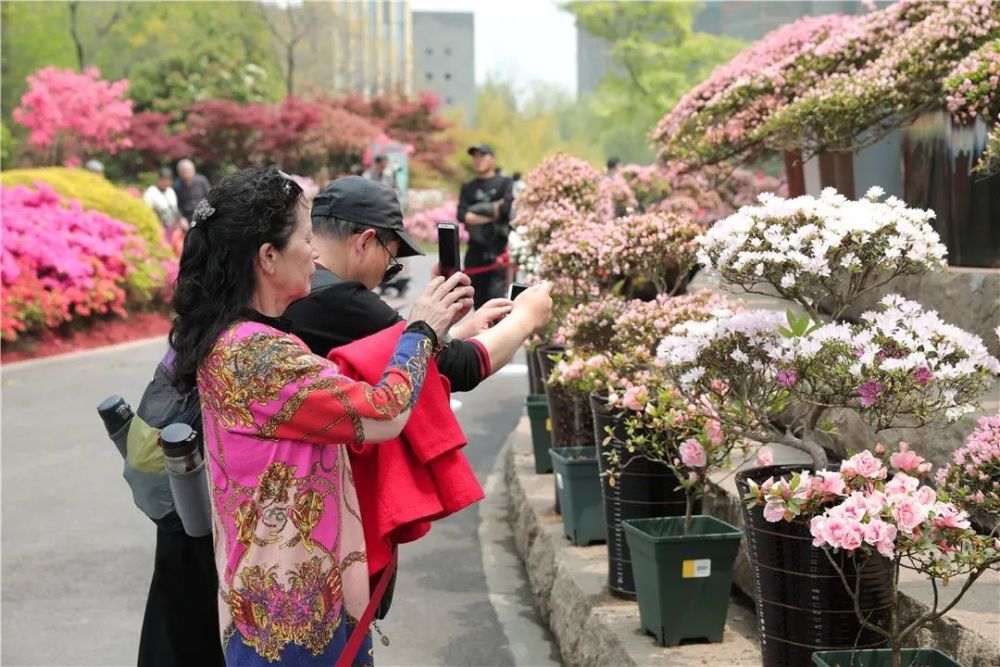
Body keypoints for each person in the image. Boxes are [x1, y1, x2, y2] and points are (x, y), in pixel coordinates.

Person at [169, 166, 475, 665]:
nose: (315, 253)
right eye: (306, 239)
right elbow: (385, 412)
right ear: (268, 257)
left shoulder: (228, 340)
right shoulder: (260, 354)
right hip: (297, 615)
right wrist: (423, 328)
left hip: (264, 600)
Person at [287, 176, 553, 387]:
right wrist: (525, 318)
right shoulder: (340, 298)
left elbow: (400, 351)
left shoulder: (294, 281)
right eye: (391, 258)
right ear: (365, 241)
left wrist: (458, 330)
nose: (384, 273)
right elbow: (456, 368)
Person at [457, 144, 514, 310]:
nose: (478, 160)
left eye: (483, 155)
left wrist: (474, 212)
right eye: (475, 156)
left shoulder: (504, 183)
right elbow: (461, 215)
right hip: (475, 252)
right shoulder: (468, 187)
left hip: (497, 253)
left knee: (496, 304)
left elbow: (505, 210)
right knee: (479, 304)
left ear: (492, 159)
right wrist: (492, 210)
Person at [174, 158, 211, 227]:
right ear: (179, 172)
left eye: (188, 170)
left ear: (194, 170)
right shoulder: (176, 185)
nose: (186, 173)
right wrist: (181, 218)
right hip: (187, 218)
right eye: (183, 171)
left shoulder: (202, 181)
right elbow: (176, 206)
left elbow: (210, 198)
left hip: (203, 215)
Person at [143, 167, 182, 231]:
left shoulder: (170, 191)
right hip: (158, 227)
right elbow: (147, 212)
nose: (166, 182)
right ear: (158, 179)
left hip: (172, 227)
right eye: (164, 179)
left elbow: (175, 209)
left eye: (169, 179)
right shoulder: (150, 192)